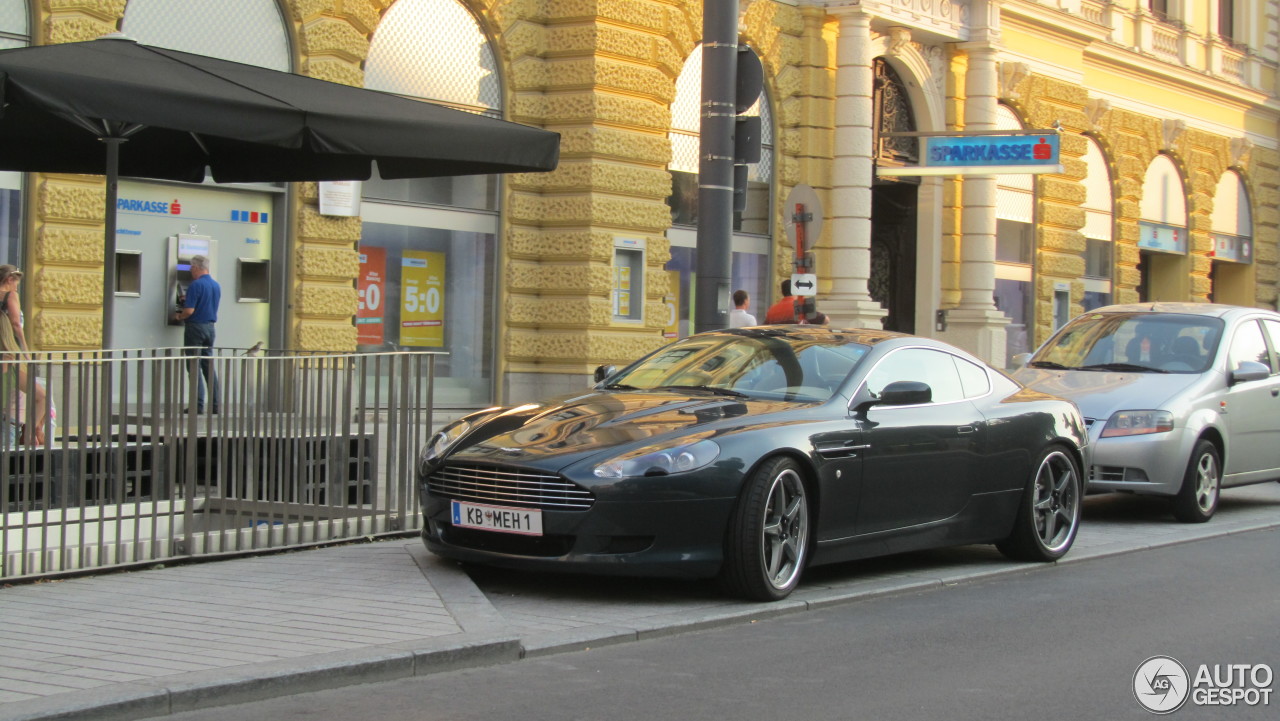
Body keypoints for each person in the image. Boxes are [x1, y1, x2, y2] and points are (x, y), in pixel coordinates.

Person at [0, 265, 48, 445]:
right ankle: (31, 429)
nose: (17, 287)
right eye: (16, 282)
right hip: (9, 348)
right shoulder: (10, 295)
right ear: (10, 280)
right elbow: (15, 324)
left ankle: (29, 429)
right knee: (40, 396)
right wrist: (26, 350)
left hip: (4, 351)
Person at [173, 255, 221, 414]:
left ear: (196, 267)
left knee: (193, 366)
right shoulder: (215, 285)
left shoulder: (195, 285)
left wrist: (179, 316)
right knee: (208, 366)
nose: (190, 271)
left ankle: (197, 406)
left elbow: (189, 311)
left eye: (191, 268)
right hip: (210, 328)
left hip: (195, 327)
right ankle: (215, 406)